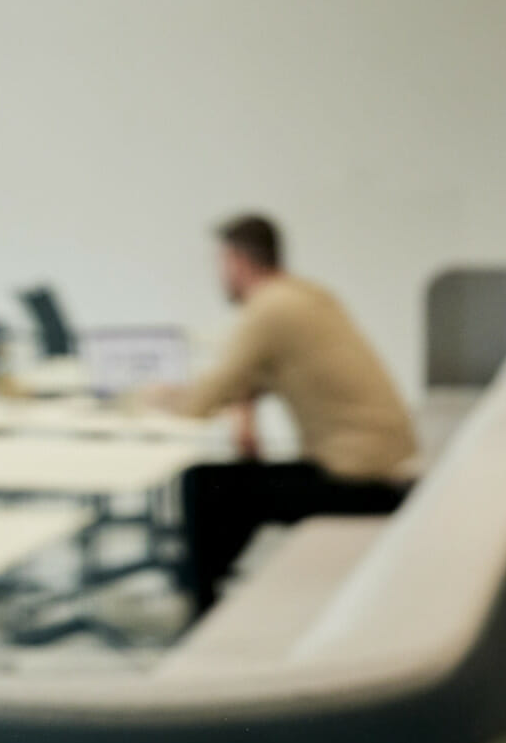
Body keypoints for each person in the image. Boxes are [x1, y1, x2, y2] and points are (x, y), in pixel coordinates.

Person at [157, 214, 418, 616]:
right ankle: (208, 586)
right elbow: (255, 377)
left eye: (221, 264)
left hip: (360, 479)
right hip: (386, 463)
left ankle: (201, 609)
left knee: (203, 485)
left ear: (238, 262)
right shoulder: (306, 296)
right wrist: (245, 412)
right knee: (231, 484)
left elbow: (201, 404)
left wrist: (150, 397)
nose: (220, 275)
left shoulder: (269, 309)